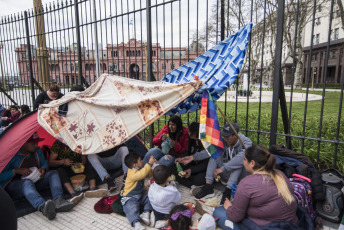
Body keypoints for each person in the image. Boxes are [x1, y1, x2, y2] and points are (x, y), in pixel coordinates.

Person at [213, 145, 298, 230]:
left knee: (218, 211)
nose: (243, 162)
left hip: (266, 227)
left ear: (252, 163)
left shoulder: (247, 183)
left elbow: (236, 217)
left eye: (244, 159)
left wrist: (229, 207)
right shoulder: (280, 174)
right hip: (291, 224)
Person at [0, 132, 74, 220]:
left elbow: (44, 163)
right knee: (27, 183)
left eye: (37, 143)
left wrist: (43, 168)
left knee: (53, 173)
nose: (36, 145)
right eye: (33, 143)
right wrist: (15, 171)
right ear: (23, 143)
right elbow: (1, 176)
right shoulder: (12, 155)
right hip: (17, 187)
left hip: (36, 181)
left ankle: (58, 200)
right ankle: (43, 207)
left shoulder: (37, 151)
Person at [196, 122, 252, 204]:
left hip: (239, 178)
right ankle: (208, 186)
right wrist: (193, 157)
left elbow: (239, 159)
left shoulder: (247, 143)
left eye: (227, 136)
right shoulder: (225, 141)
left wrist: (222, 169)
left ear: (235, 135)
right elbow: (210, 150)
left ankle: (227, 192)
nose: (225, 139)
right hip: (226, 173)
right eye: (224, 136)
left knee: (239, 163)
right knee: (215, 155)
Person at [49, 140, 107, 205]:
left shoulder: (78, 141)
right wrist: (62, 161)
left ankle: (93, 188)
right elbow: (50, 162)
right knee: (60, 171)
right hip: (65, 169)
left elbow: (84, 160)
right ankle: (74, 194)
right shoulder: (58, 144)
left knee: (88, 165)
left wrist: (80, 165)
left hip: (77, 168)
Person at [121, 152, 156, 230]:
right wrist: (149, 164)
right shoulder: (131, 173)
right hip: (130, 197)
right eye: (140, 160)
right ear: (134, 165)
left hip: (140, 194)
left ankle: (146, 214)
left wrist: (152, 167)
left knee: (150, 196)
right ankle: (136, 223)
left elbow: (147, 174)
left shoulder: (139, 169)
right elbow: (142, 174)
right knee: (131, 208)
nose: (142, 161)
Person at [173, 122, 210, 188]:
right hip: (191, 162)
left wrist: (192, 170)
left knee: (198, 180)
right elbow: (188, 152)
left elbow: (206, 164)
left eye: (190, 132)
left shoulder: (205, 143)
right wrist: (181, 158)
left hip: (202, 167)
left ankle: (189, 183)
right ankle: (190, 183)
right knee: (173, 168)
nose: (189, 133)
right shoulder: (191, 139)